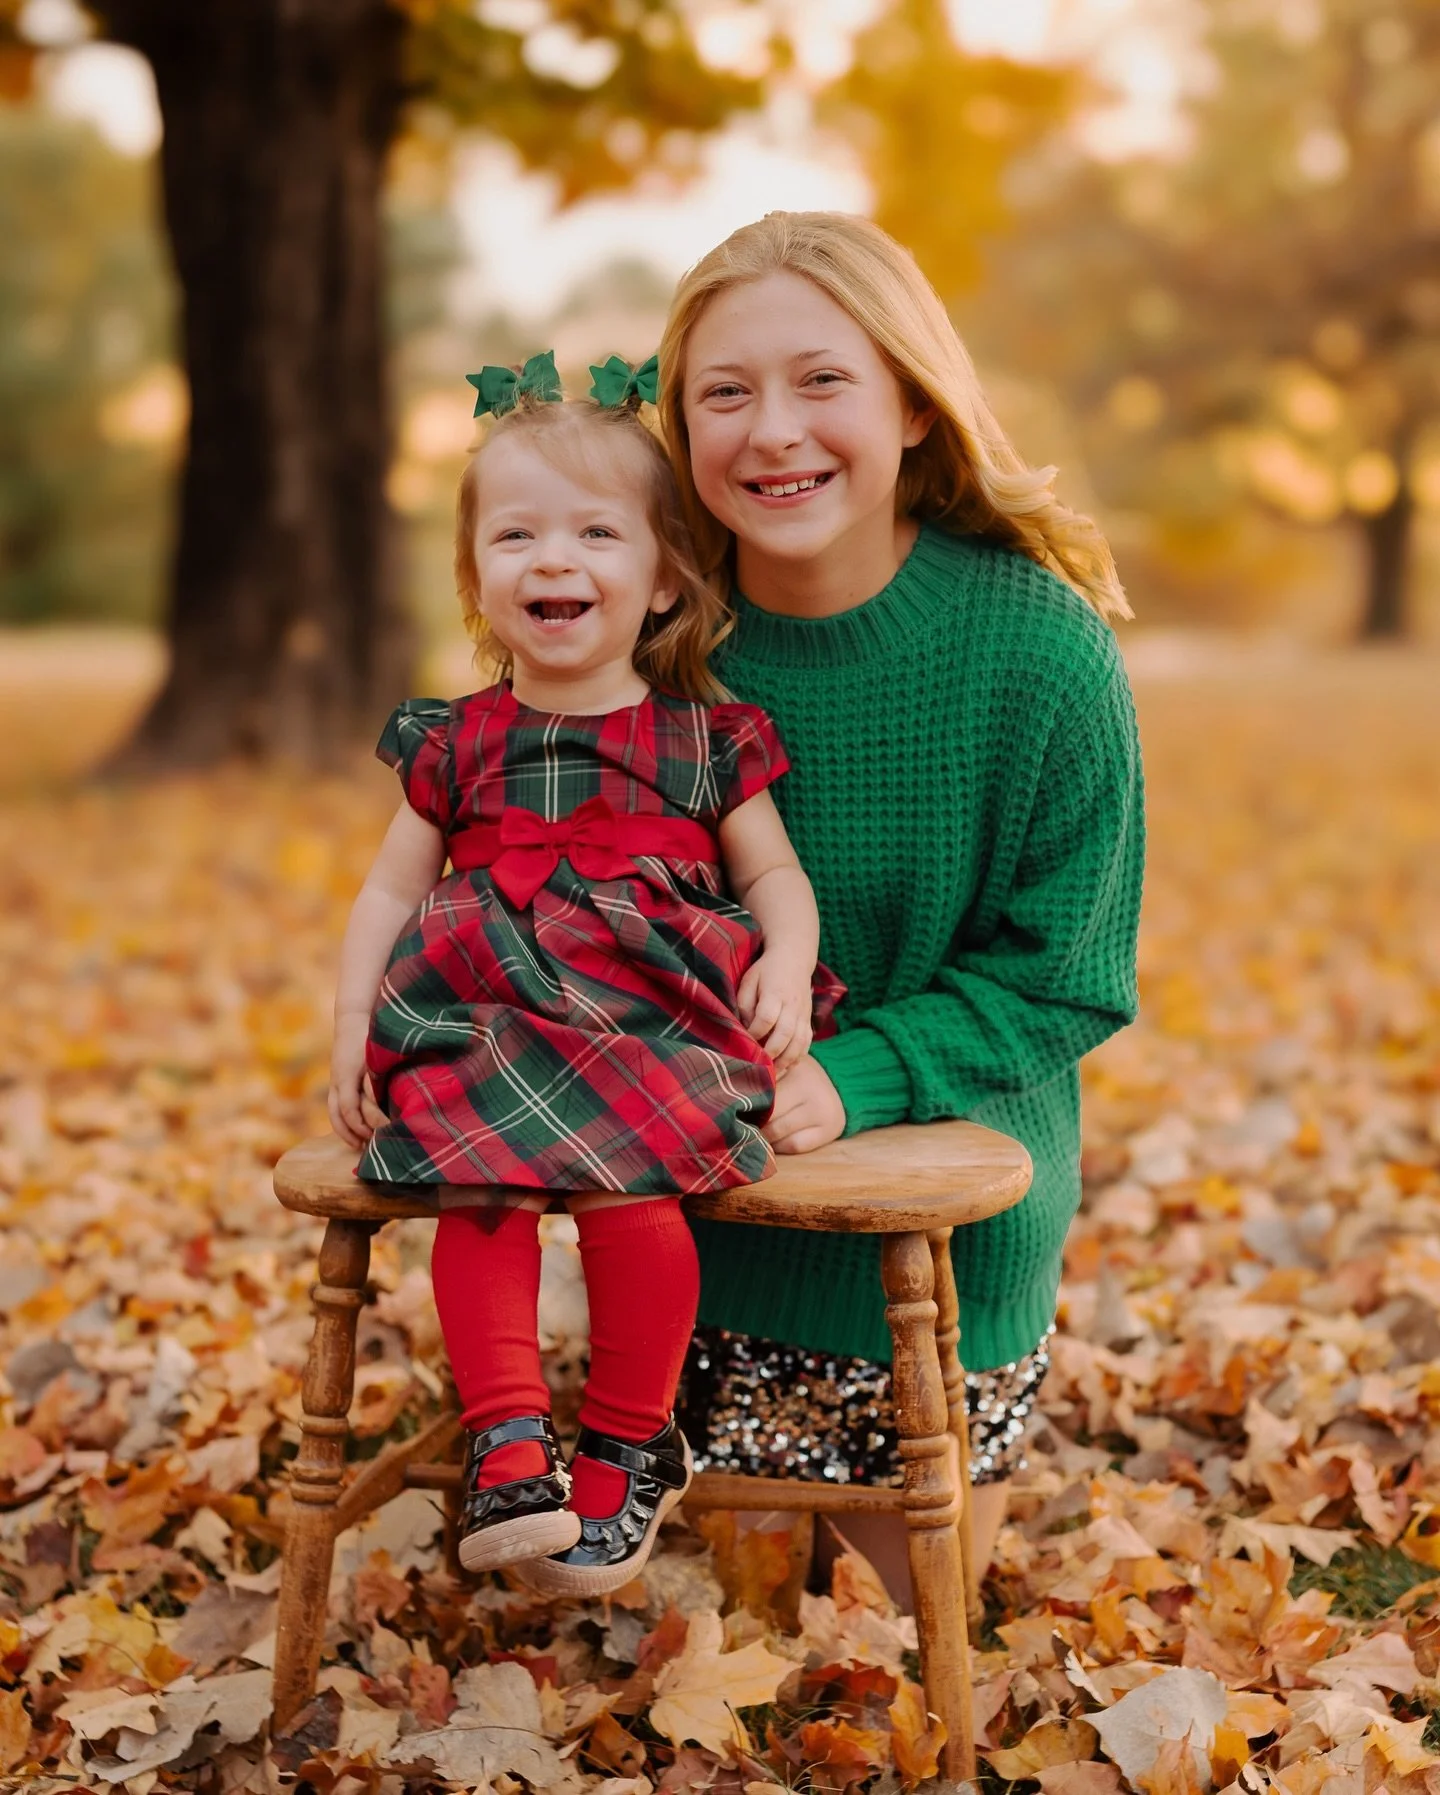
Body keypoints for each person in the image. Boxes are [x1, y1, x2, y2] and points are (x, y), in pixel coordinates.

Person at [657, 212, 1145, 1600]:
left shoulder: (1040, 653)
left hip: (938, 1217)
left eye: (823, 380)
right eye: (725, 392)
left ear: (915, 406)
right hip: (695, 1204)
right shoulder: (655, 647)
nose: (773, 431)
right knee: (732, 1641)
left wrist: (850, 1076)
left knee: (889, 1637)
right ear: (680, 428)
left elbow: (1064, 976)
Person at [327, 356, 840, 1596]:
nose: (552, 558)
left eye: (595, 533)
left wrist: (788, 961)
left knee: (636, 1196)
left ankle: (626, 1436)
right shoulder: (455, 741)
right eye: (516, 535)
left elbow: (774, 874)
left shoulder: (703, 738)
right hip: (487, 1023)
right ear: (477, 577)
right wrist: (351, 1023)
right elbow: (390, 892)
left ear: (663, 578)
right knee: (479, 1192)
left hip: (650, 1026)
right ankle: (509, 1438)